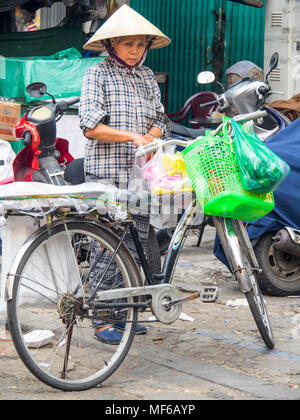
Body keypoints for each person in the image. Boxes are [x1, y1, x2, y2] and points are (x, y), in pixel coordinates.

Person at [79, 4, 171, 344]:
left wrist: (152, 136)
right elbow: (90, 126)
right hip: (107, 172)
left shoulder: (147, 77)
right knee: (108, 244)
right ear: (111, 45)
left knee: (134, 244)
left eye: (139, 45)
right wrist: (131, 136)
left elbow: (161, 120)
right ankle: (102, 319)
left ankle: (124, 312)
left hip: (141, 175)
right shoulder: (97, 75)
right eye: (127, 44)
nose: (134, 51)